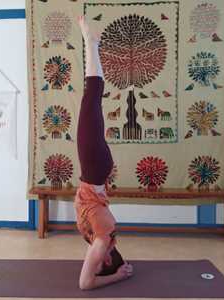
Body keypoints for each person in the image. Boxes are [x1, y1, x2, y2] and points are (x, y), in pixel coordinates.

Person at [74, 15, 133, 291]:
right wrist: (117, 277)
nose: (92, 263)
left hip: (95, 170)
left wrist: (119, 270)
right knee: (91, 96)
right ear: (106, 258)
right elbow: (85, 284)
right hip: (94, 168)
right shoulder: (102, 237)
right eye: (99, 264)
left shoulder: (103, 238)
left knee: (92, 98)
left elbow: (91, 274)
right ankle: (91, 42)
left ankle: (92, 43)